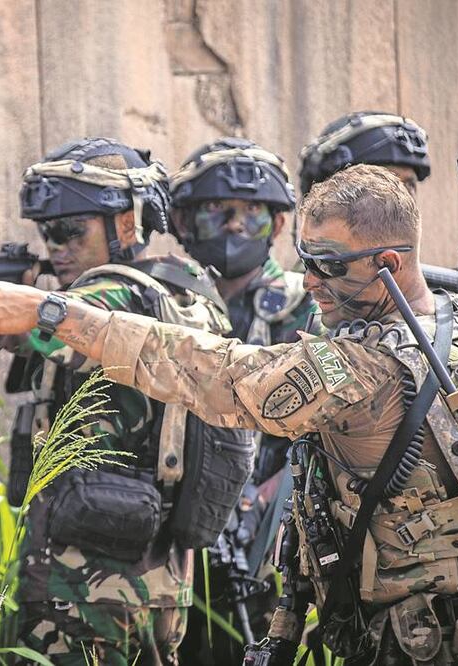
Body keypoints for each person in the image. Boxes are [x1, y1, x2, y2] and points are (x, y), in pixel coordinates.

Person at [0, 164, 458, 665]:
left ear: (388, 260)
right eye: (304, 261)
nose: (311, 283)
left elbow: (220, 374)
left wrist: (56, 313)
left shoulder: (365, 369)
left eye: (326, 266)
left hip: (451, 642)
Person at [0, 137, 237, 665]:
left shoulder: (110, 295)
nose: (57, 247)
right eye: (48, 232)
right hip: (159, 574)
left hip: (88, 581)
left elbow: (51, 322)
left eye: (73, 230)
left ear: (125, 224)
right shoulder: (186, 292)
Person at [168, 138, 308, 662]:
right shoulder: (167, 301)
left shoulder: (306, 306)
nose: (233, 225)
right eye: (216, 210)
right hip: (177, 535)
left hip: (272, 538)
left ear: (276, 225)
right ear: (182, 222)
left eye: (251, 212)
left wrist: (277, 493)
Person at [298, 111, 458, 332]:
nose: (402, 196)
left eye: (408, 184)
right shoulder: (307, 297)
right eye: (385, 181)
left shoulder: (415, 289)